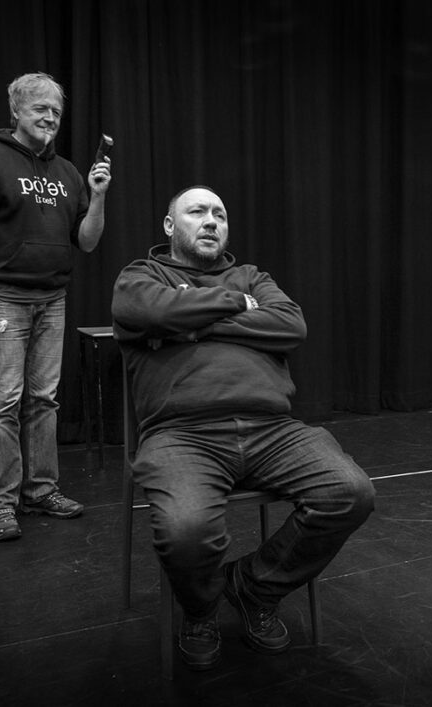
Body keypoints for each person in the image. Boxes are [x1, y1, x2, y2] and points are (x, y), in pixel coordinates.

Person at [111, 185, 375, 670]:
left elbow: (291, 327)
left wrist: (190, 320)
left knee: (350, 492)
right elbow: (140, 311)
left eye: (220, 214)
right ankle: (200, 609)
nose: (211, 221)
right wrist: (239, 305)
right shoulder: (142, 275)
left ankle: (252, 586)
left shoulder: (253, 275)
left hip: (272, 428)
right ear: (171, 226)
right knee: (186, 530)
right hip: (182, 434)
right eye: (197, 212)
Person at [0, 72, 112, 541]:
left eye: (56, 111)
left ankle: (40, 491)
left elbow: (88, 242)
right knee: (3, 403)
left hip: (52, 301)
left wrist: (97, 197)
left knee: (43, 401)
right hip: (0, 299)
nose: (50, 118)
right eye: (40, 108)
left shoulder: (69, 172)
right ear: (16, 111)